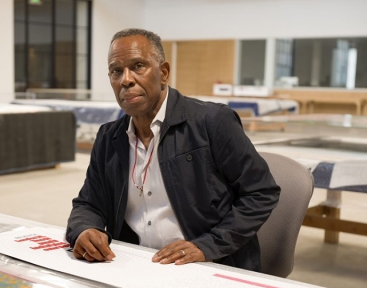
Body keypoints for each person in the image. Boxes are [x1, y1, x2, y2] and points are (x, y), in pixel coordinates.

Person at [66, 28, 280, 271]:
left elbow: (261, 192)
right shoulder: (109, 137)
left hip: (207, 265)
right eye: (116, 71)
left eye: (138, 66)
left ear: (164, 72)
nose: (126, 79)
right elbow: (88, 204)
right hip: (134, 265)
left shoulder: (212, 122)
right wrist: (85, 229)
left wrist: (208, 246)